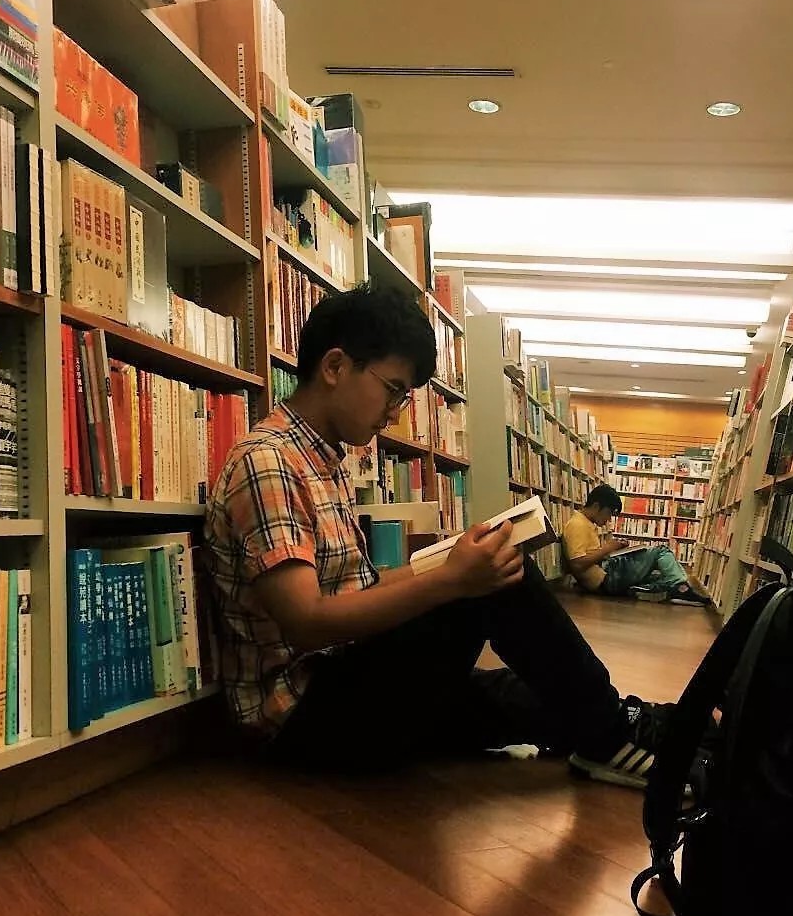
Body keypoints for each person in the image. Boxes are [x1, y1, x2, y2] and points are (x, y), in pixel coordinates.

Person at [204, 283, 671, 788]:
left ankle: (652, 724)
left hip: (351, 680)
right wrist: (452, 581)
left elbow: (357, 588)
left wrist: (447, 561)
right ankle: (610, 738)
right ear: (335, 366)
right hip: (304, 718)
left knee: (540, 695)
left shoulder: (321, 461)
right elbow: (307, 622)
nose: (395, 412)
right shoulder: (269, 462)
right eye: (393, 390)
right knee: (499, 578)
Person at [562, 485, 709, 605]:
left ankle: (642, 591)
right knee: (661, 551)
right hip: (607, 578)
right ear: (596, 506)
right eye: (608, 513)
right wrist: (608, 548)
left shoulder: (586, 523)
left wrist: (612, 550)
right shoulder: (577, 524)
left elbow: (588, 556)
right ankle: (682, 589)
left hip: (607, 573)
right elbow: (577, 564)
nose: (608, 519)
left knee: (658, 574)